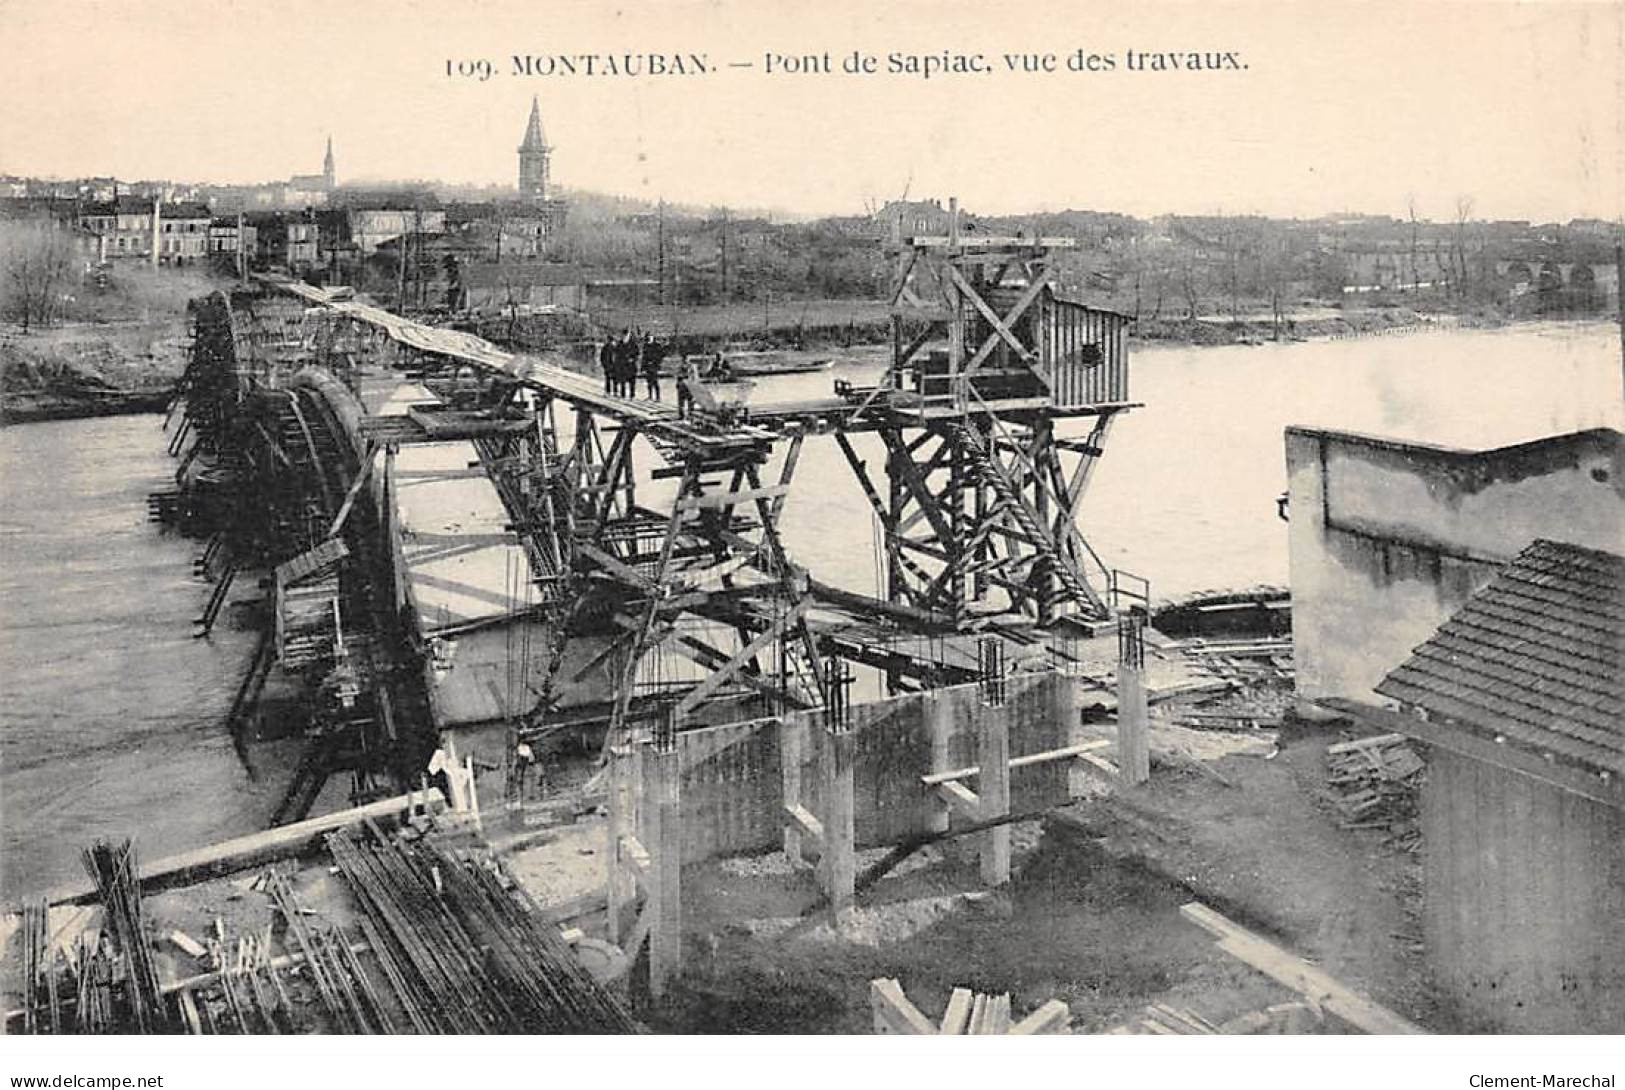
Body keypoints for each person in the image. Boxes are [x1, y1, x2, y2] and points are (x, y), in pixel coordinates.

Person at [641, 332, 663, 401]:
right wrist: (643, 367)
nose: (650, 338)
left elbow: (660, 355)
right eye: (649, 336)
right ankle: (650, 396)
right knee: (649, 382)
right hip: (647, 366)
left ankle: (658, 397)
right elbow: (644, 357)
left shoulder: (657, 345)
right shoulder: (646, 346)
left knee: (655, 381)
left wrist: (655, 361)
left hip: (654, 365)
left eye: (651, 336)